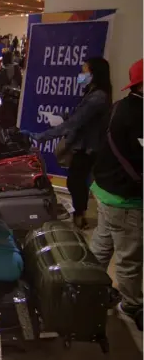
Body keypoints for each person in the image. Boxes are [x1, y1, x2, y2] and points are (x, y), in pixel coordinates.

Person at [89, 59, 143, 330]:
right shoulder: (138, 116)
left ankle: (88, 288)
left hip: (105, 190)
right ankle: (132, 305)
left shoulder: (116, 107)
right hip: (127, 198)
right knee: (129, 255)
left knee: (103, 242)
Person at [31, 57, 113, 229]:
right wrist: (60, 116)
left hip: (87, 148)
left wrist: (41, 136)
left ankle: (79, 217)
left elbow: (74, 123)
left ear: (94, 73)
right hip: (85, 145)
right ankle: (79, 215)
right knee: (76, 181)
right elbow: (76, 116)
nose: (81, 75)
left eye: (84, 71)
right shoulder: (92, 94)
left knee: (77, 181)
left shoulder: (97, 97)